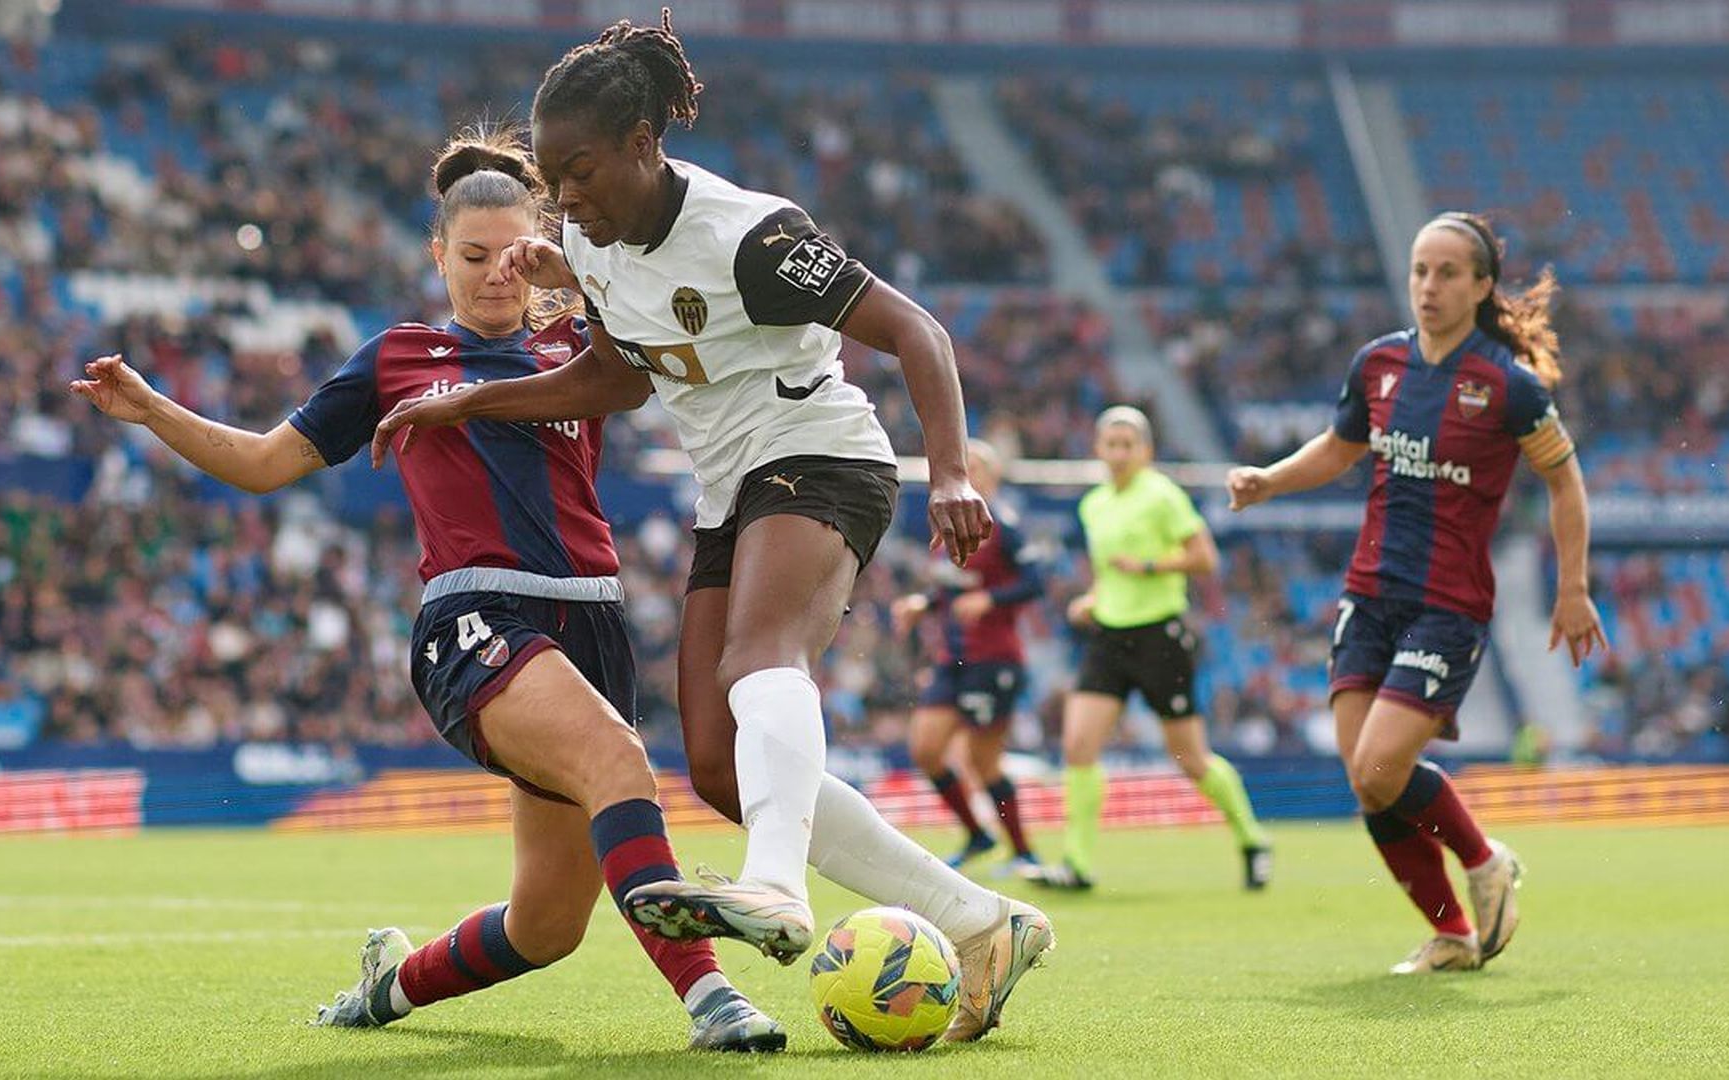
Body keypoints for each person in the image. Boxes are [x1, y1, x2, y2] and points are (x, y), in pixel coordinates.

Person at [371, 11, 1051, 1042]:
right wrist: (463, 403)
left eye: (582, 170)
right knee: (720, 766)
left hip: (822, 453)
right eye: (553, 177)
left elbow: (915, 329)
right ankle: (981, 921)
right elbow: (615, 379)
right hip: (730, 491)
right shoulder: (590, 249)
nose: (566, 199)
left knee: (760, 660)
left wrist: (950, 470)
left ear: (645, 144)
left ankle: (777, 887)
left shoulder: (753, 235)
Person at [69, 129, 787, 1050]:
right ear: (437, 254)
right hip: (477, 621)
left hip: (595, 623)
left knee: (546, 927)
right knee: (617, 761)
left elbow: (664, 338)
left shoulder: (585, 340)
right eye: (474, 256)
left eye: (516, 256)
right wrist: (150, 410)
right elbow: (260, 463)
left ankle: (387, 990)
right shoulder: (396, 357)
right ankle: (713, 1003)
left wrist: (575, 278)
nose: (497, 276)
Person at [1227, 212, 1606, 974]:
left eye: (1447, 274)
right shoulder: (1379, 364)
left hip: (1448, 603)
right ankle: (1454, 935)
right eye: (1419, 271)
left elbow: (1565, 482)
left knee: (1376, 770)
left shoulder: (1507, 386)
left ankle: (1483, 858)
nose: (1429, 287)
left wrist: (1574, 588)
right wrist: (1270, 479)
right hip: (1369, 596)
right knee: (1369, 786)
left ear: (1481, 286)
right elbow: (1338, 449)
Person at [1034, 406, 1271, 892]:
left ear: (1146, 451)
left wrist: (1146, 566)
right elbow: (1107, 572)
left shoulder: (1163, 496)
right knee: (1078, 744)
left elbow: (1204, 558)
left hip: (1159, 636)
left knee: (1190, 757)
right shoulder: (1093, 504)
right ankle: (1077, 865)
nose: (1119, 453)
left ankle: (1252, 837)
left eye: (1128, 444)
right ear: (1097, 449)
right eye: (1111, 444)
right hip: (1108, 637)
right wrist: (1093, 599)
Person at [892, 440, 1044, 875]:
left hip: (994, 660)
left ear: (992, 479)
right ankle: (977, 835)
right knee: (925, 748)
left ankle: (1022, 853)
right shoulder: (949, 532)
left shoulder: (1007, 528)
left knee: (983, 761)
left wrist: (990, 600)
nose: (966, 474)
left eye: (975, 467)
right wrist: (923, 604)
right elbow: (951, 592)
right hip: (953, 659)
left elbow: (1034, 582)